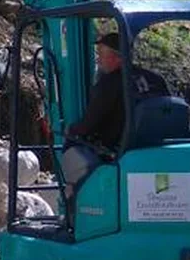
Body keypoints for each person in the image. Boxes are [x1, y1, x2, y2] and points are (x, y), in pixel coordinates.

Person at [59, 31, 170, 196]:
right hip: (153, 146)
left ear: (117, 57)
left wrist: (70, 130)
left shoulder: (110, 83)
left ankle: (76, 206)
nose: (98, 59)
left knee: (74, 151)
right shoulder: (155, 79)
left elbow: (89, 124)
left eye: (101, 55)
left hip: (118, 151)